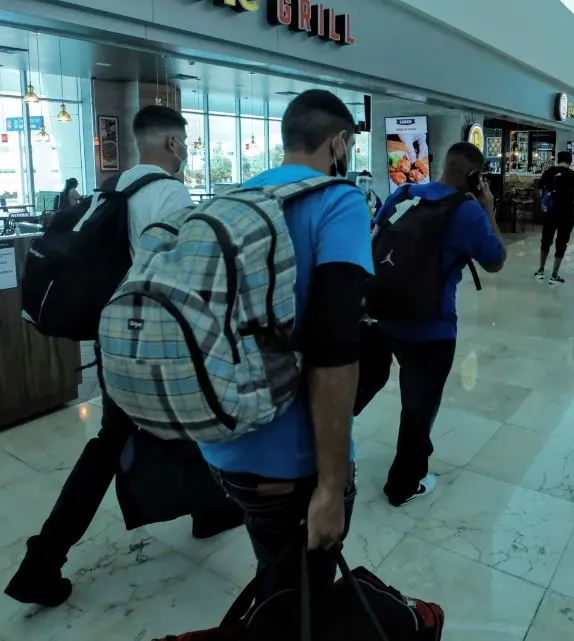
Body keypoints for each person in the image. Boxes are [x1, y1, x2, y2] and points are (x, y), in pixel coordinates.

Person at [5, 105, 240, 608]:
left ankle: (207, 510)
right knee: (169, 425)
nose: (186, 151)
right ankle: (43, 560)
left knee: (129, 437)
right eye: (186, 142)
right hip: (150, 341)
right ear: (174, 144)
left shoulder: (110, 188)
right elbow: (179, 272)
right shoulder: (170, 192)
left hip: (112, 340)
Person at [199, 91, 372, 604]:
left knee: (277, 569)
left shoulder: (230, 200)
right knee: (300, 600)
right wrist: (331, 486)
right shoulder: (338, 201)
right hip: (290, 461)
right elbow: (336, 350)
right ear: (339, 144)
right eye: (350, 147)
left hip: (222, 442)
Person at [357, 143, 506, 506]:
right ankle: (403, 485)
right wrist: (489, 210)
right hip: (429, 327)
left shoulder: (404, 193)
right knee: (418, 407)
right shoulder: (468, 212)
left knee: (360, 385)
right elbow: (495, 260)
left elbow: (378, 237)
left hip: (378, 315)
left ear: (442, 165)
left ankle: (317, 448)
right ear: (476, 177)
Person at [534, 150, 574, 285]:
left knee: (546, 240)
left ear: (557, 159)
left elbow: (540, 193)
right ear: (570, 161)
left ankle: (541, 270)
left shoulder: (548, 173)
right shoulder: (573, 176)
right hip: (566, 214)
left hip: (550, 213)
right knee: (561, 243)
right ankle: (554, 275)